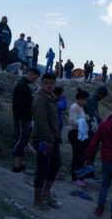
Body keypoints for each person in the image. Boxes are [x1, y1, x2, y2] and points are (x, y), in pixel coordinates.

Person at [32, 73, 61, 210]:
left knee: (55, 165)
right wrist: (49, 138)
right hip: (43, 139)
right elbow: (41, 121)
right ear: (42, 83)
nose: (49, 85)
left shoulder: (51, 97)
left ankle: (46, 193)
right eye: (47, 83)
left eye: (52, 83)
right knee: (42, 168)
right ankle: (38, 200)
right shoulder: (40, 99)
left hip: (53, 138)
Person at [11, 67, 40, 173]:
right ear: (30, 74)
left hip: (25, 117)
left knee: (24, 139)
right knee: (20, 139)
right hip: (22, 117)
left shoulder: (25, 85)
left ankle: (20, 165)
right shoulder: (22, 86)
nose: (34, 80)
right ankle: (16, 165)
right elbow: (20, 104)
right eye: (34, 77)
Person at [68, 89, 92, 186]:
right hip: (75, 133)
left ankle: (80, 176)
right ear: (80, 99)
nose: (86, 102)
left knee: (81, 156)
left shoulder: (80, 107)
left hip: (80, 133)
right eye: (85, 100)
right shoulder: (75, 107)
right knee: (77, 156)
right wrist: (83, 121)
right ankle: (75, 177)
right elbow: (72, 121)